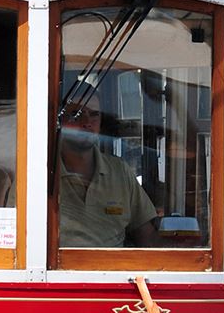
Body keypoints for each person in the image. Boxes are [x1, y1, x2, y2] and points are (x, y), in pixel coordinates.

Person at [56, 89, 160, 248]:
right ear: (59, 120)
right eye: (76, 114)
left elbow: (147, 237)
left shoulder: (120, 172)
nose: (87, 122)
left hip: (113, 264)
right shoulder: (40, 173)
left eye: (94, 114)